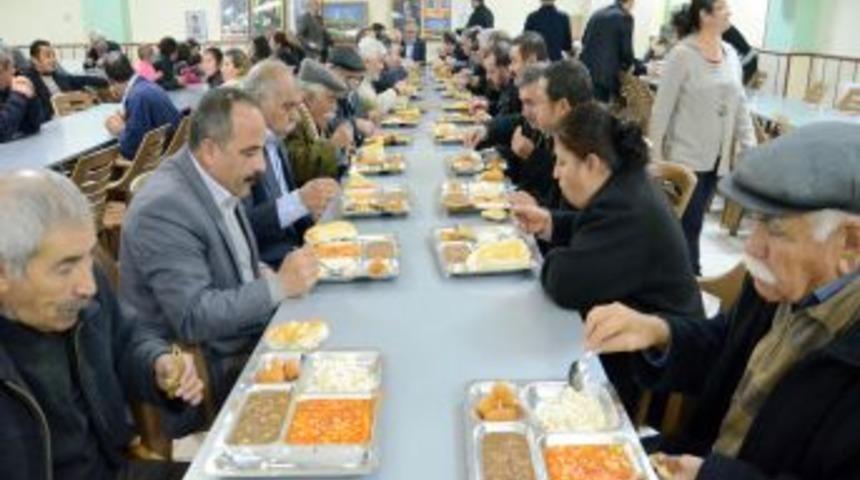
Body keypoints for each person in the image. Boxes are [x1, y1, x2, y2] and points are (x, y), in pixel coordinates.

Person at [584, 122, 860, 480]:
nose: (751, 248)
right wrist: (658, 330)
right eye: (755, 221)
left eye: (776, 229)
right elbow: (724, 347)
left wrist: (713, 475)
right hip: (697, 455)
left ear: (851, 242)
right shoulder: (778, 286)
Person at [120, 87, 321, 406]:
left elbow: (231, 264)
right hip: (210, 365)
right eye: (250, 153)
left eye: (261, 151)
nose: (261, 167)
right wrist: (278, 286)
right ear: (210, 150)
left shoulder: (220, 175)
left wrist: (262, 273)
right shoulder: (164, 208)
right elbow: (193, 316)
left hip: (241, 335)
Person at [0, 169, 204, 480]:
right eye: (65, 267)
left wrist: (156, 363)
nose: (89, 286)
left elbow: (127, 339)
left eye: (87, 257)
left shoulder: (86, 284)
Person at [649, 0, 756, 275]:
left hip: (717, 157)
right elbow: (661, 110)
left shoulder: (731, 53)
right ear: (704, 15)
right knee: (688, 222)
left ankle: (678, 276)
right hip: (685, 156)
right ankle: (688, 277)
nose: (729, 12)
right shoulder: (682, 54)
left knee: (693, 221)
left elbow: (740, 103)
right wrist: (656, 157)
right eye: (722, 8)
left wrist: (749, 145)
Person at [102, 53, 181, 160]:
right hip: (172, 150)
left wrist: (120, 130)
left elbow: (131, 150)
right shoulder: (147, 85)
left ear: (110, 81)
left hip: (159, 159)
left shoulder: (137, 97)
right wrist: (130, 119)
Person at [286, 59, 352, 187]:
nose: (335, 108)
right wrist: (333, 145)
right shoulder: (293, 120)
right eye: (331, 100)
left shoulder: (316, 120)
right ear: (308, 98)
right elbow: (296, 166)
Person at [24, 39, 108, 123]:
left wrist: (107, 81)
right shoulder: (27, 82)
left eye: (54, 55)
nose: (53, 60)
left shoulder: (60, 77)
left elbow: (82, 79)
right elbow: (34, 113)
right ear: (34, 60)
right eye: (48, 56)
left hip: (70, 120)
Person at [580, 0, 647, 102]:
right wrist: (642, 68)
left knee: (585, 111)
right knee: (600, 113)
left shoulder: (598, 13)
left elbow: (584, 40)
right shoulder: (625, 17)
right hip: (604, 79)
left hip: (584, 72)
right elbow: (626, 54)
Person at [0, 46, 42, 142]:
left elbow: (33, 126)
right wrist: (19, 95)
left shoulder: (10, 89)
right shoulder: (16, 93)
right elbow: (2, 132)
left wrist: (31, 98)